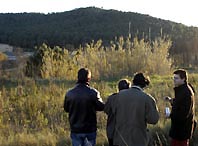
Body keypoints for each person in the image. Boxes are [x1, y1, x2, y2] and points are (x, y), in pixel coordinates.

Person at [112, 72, 159, 146]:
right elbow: (153, 120)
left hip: (120, 138)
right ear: (145, 85)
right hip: (138, 139)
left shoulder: (119, 96)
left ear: (133, 82)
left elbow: (111, 112)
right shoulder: (147, 99)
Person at [64, 68, 104, 146]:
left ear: (78, 77)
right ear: (88, 78)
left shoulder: (69, 93)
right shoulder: (93, 92)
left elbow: (66, 109)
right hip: (90, 129)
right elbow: (101, 107)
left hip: (75, 129)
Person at [165, 69, 196, 146]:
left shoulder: (186, 92)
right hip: (180, 130)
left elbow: (184, 113)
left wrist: (170, 115)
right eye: (173, 78)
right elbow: (180, 103)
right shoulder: (182, 90)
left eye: (176, 78)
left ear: (183, 79)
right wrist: (171, 100)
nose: (174, 80)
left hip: (182, 131)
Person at [104, 79, 131, 146]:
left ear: (118, 88)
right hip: (127, 133)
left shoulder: (112, 98)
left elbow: (106, 110)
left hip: (112, 132)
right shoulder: (131, 99)